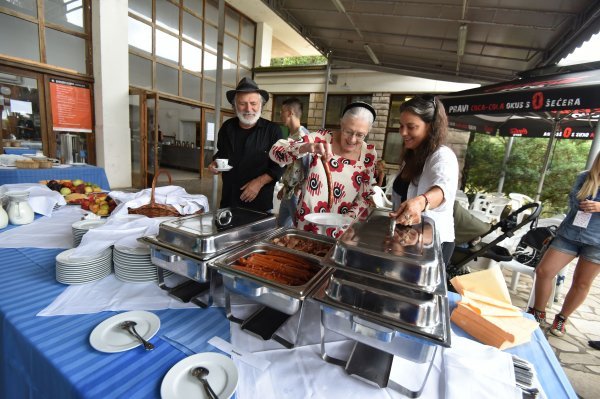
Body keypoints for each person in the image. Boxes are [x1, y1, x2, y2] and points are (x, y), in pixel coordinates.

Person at [269, 102, 377, 236]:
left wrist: (348, 220)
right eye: (348, 131)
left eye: (360, 135)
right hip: (307, 225)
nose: (352, 139)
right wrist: (306, 147)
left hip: (342, 230)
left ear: (369, 131)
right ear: (341, 124)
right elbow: (276, 153)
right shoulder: (321, 138)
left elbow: (364, 197)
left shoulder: (369, 154)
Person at [527, 152, 600, 337]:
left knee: (581, 283)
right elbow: (573, 202)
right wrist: (583, 202)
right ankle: (538, 312)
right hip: (570, 233)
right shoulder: (585, 177)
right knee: (544, 271)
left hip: (597, 242)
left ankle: (562, 318)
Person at [389, 95, 458, 267]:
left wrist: (420, 202)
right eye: (401, 126)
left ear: (431, 127)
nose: (403, 133)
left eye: (411, 127)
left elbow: (443, 190)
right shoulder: (412, 156)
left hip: (432, 243)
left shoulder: (442, 156)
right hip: (409, 239)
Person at [209, 77, 284, 212]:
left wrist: (258, 183)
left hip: (259, 205)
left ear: (260, 104)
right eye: (242, 103)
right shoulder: (227, 127)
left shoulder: (273, 131)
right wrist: (215, 163)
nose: (248, 109)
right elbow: (222, 153)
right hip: (228, 201)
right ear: (235, 105)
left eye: (253, 103)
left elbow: (280, 166)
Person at [276, 98, 309, 227]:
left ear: (290, 112)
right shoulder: (291, 135)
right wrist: (284, 188)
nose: (280, 115)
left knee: (299, 229)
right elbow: (292, 167)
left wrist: (299, 189)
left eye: (281, 112)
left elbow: (309, 167)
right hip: (288, 192)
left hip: (296, 194)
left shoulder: (303, 137)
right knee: (281, 228)